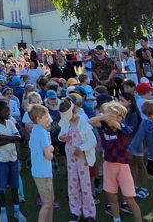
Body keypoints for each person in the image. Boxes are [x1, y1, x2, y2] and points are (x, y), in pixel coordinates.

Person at [89, 102, 142, 222]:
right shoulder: (103, 125)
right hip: (108, 165)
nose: (109, 117)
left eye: (113, 115)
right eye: (109, 115)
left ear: (120, 117)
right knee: (111, 196)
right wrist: (103, 117)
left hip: (123, 167)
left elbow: (119, 126)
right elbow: (90, 121)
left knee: (130, 199)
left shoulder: (123, 127)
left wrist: (109, 116)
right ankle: (116, 219)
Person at [57, 94, 96, 222]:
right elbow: (60, 134)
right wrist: (62, 138)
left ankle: (89, 214)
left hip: (82, 159)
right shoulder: (65, 121)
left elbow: (92, 140)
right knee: (72, 185)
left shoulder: (82, 121)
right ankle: (75, 211)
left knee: (85, 185)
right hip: (70, 159)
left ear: (74, 111)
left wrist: (82, 149)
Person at [0, 98, 27, 222]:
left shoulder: (10, 122)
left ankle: (16, 210)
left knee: (14, 186)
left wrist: (4, 137)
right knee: (1, 187)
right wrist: (12, 138)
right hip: (1, 161)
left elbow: (19, 136)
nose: (8, 112)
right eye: (6, 110)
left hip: (13, 159)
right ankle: (3, 211)